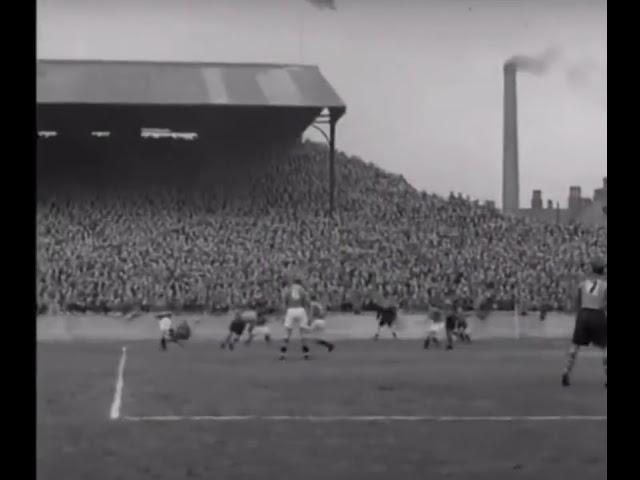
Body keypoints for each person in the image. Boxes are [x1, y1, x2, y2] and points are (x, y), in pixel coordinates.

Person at [562, 257, 607, 388]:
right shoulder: (604, 286)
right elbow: (605, 304)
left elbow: (577, 301)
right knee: (605, 346)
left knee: (575, 345)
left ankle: (566, 371)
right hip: (598, 314)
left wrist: (579, 315)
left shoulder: (582, 284)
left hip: (584, 314)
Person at [280, 275, 311, 360]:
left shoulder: (288, 290)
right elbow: (307, 302)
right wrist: (308, 313)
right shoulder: (302, 290)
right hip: (300, 310)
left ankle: (283, 353)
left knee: (287, 333)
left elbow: (284, 303)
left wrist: (283, 315)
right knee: (303, 333)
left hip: (291, 310)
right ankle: (306, 354)